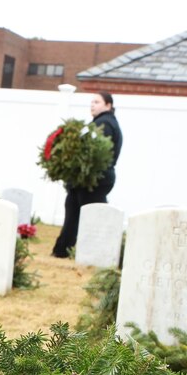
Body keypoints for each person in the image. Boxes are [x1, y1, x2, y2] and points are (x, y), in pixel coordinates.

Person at [51, 91, 123, 259]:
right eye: (92, 101)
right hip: (90, 179)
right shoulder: (102, 122)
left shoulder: (104, 124)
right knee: (75, 211)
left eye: (97, 102)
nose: (92, 104)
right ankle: (63, 249)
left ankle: (90, 252)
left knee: (92, 217)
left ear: (108, 105)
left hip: (94, 179)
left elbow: (94, 152)